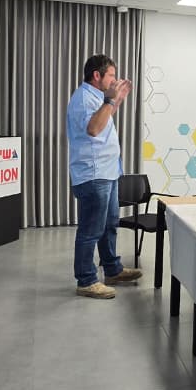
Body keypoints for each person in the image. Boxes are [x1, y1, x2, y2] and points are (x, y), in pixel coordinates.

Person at [65, 54, 141, 299]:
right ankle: (86, 280)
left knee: (109, 225)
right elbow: (94, 128)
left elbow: (103, 119)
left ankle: (112, 270)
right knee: (91, 230)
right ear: (96, 75)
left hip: (107, 172)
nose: (115, 80)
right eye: (111, 75)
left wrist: (116, 100)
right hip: (94, 174)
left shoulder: (97, 96)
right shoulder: (83, 98)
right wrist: (110, 100)